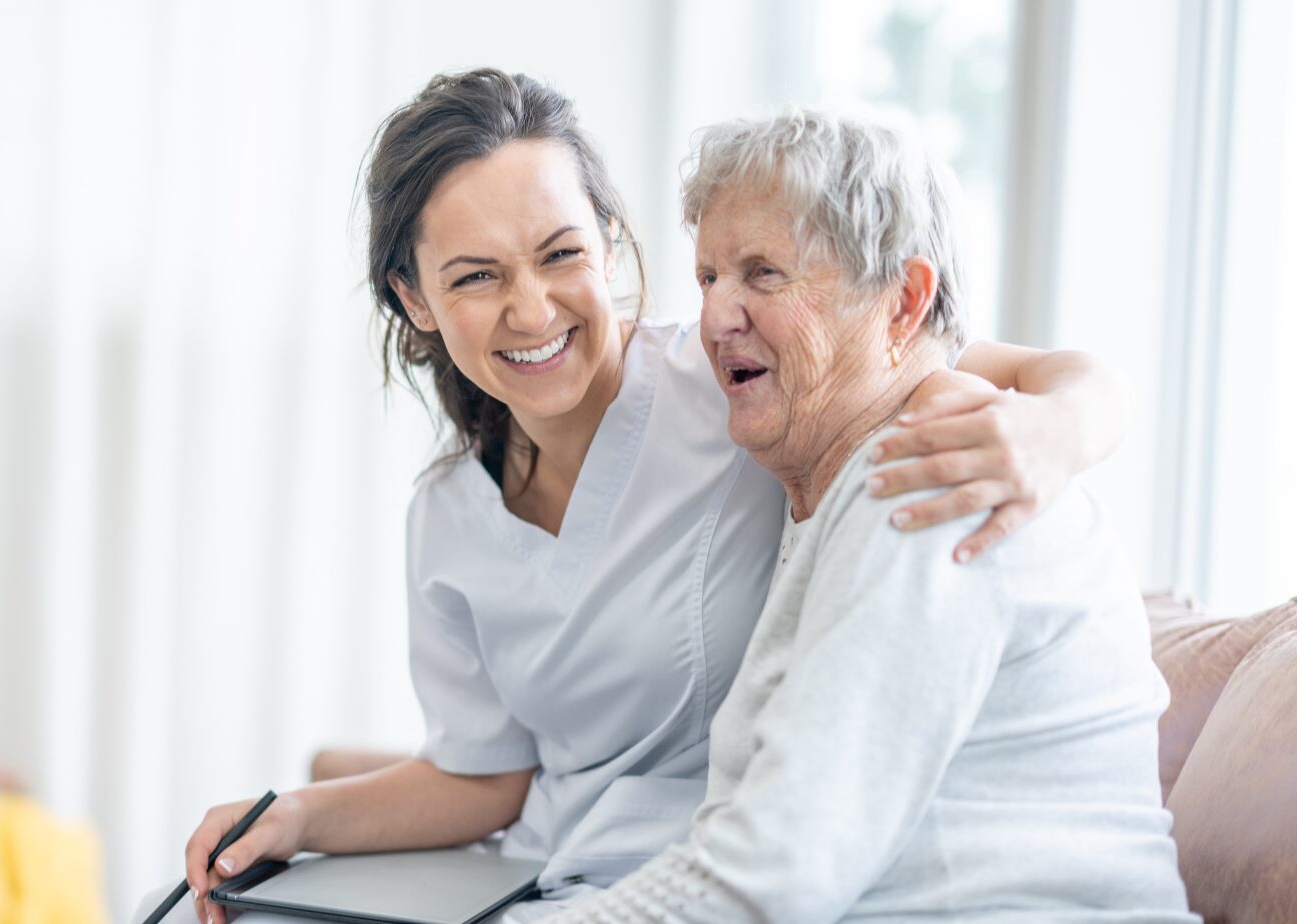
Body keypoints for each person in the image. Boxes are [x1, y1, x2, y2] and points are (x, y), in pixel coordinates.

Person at [143, 70, 1133, 924]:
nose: (531, 310)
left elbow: (934, 359)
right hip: (556, 882)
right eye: (476, 276)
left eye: (560, 253)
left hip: (696, 886)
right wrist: (298, 820)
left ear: (610, 245)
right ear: (416, 301)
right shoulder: (448, 512)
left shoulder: (753, 383)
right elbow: (487, 773)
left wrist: (1065, 426)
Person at [544, 109, 1195, 922]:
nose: (715, 318)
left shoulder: (934, 468)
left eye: (764, 274)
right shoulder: (838, 469)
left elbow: (769, 876)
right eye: (709, 276)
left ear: (902, 305)